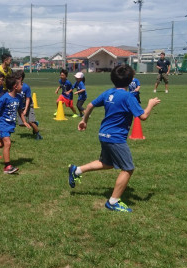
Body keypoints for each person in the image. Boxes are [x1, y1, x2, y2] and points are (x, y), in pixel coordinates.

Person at [67, 65, 161, 213]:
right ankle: (113, 201)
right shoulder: (128, 96)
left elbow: (90, 105)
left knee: (106, 163)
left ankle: (76, 170)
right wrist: (150, 105)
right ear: (130, 81)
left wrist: (85, 120)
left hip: (103, 134)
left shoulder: (108, 93)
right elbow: (143, 116)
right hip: (115, 138)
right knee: (128, 168)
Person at [14, 69, 42, 140]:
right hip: (20, 107)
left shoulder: (26, 87)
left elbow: (28, 99)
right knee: (21, 124)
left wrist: (26, 109)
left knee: (30, 121)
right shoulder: (15, 87)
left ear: (20, 78)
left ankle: (38, 134)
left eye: (16, 77)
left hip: (28, 105)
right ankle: (36, 124)